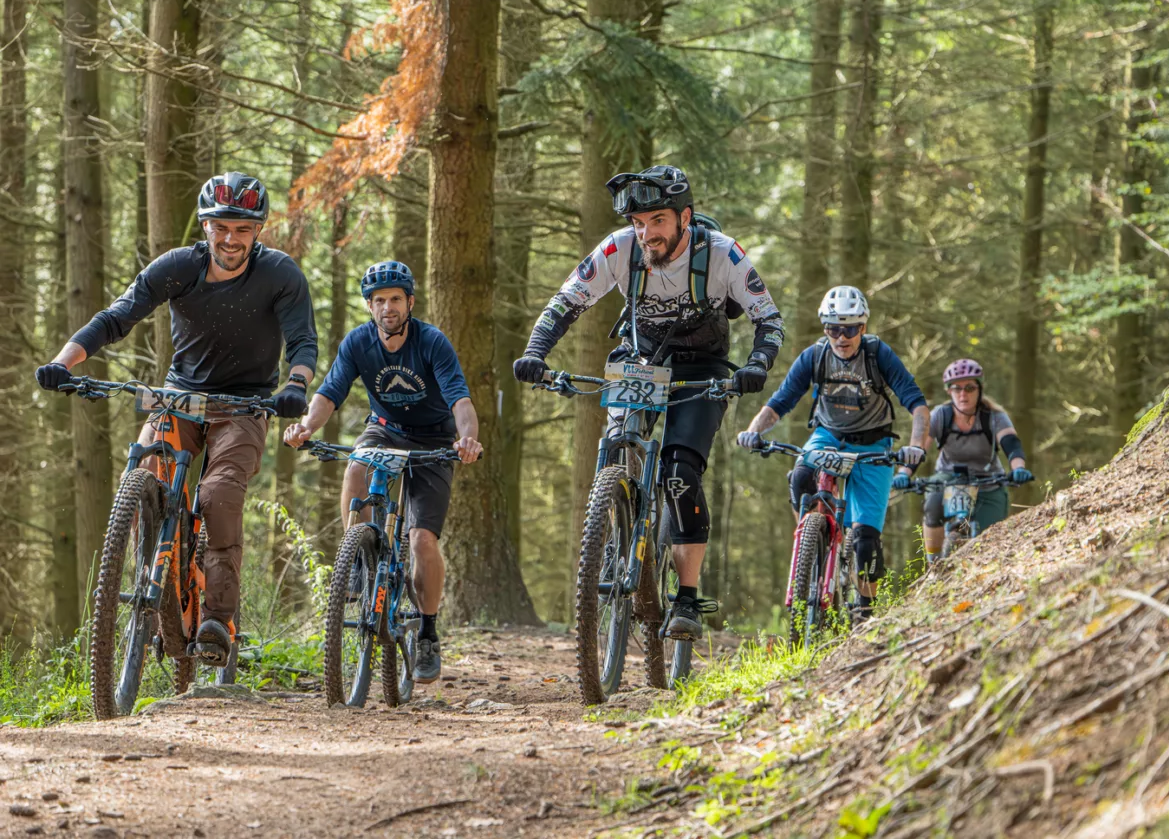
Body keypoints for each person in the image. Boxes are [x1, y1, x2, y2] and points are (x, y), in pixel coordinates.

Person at [35, 172, 318, 665]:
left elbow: (303, 342)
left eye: (242, 229)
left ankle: (216, 620)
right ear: (205, 227)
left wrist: (294, 386)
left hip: (244, 405)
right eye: (220, 228)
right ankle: (153, 578)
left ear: (258, 231)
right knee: (144, 473)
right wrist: (64, 363)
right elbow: (117, 316)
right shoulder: (178, 267)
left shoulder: (280, 274)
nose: (230, 239)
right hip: (180, 396)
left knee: (219, 495)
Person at [512, 165, 785, 639]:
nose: (646, 234)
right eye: (639, 223)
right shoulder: (619, 248)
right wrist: (535, 352)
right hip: (639, 362)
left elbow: (769, 319)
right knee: (619, 442)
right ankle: (619, 519)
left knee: (680, 472)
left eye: (657, 221)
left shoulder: (720, 254)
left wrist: (756, 366)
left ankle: (686, 597)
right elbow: (565, 302)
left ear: (685, 217)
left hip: (702, 372)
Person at [284, 261, 482, 683]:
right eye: (379, 301)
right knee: (356, 465)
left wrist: (466, 439)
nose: (387, 307)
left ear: (409, 302)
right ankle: (359, 556)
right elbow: (330, 392)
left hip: (434, 438)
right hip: (385, 429)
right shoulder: (357, 343)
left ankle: (427, 631)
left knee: (422, 539)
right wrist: (305, 426)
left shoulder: (432, 342)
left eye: (395, 299)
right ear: (369, 307)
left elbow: (460, 400)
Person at [737, 285, 928, 620]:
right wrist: (753, 431)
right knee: (800, 475)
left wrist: (915, 446)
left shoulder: (877, 354)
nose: (842, 337)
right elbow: (781, 401)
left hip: (873, 444)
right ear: (825, 328)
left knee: (866, 539)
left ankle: (864, 613)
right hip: (827, 436)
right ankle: (813, 541)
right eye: (834, 329)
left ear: (863, 328)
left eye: (850, 328)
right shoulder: (815, 355)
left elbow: (917, 403)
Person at [895, 359, 1032, 564]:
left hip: (988, 479)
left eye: (969, 388)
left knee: (991, 534)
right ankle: (933, 565)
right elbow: (920, 448)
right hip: (948, 476)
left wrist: (1019, 469)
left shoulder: (994, 417)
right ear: (948, 391)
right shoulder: (941, 415)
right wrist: (904, 473)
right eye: (956, 388)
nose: (963, 394)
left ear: (979, 389)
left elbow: (1011, 443)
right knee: (932, 503)